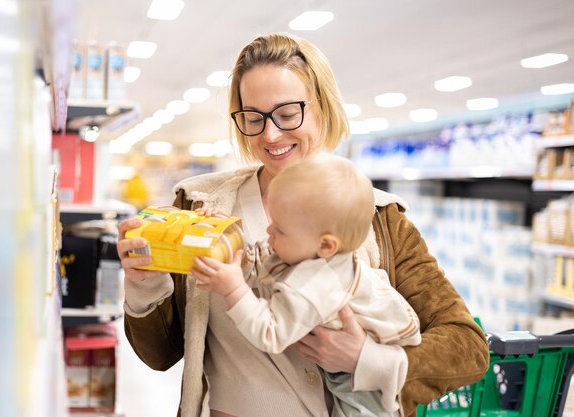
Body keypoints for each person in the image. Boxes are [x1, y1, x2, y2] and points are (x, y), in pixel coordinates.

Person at [117, 32, 489, 417]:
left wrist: (366, 358)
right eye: (252, 117)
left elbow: (468, 348)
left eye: (288, 113)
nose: (270, 134)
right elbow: (160, 355)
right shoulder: (201, 207)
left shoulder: (378, 218)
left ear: (322, 107)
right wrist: (145, 282)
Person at [190, 153, 422, 417]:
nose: (268, 232)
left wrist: (233, 290)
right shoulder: (313, 253)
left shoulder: (316, 285)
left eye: (279, 228)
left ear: (325, 245)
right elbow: (263, 266)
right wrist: (223, 232)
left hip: (363, 391)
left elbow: (271, 333)